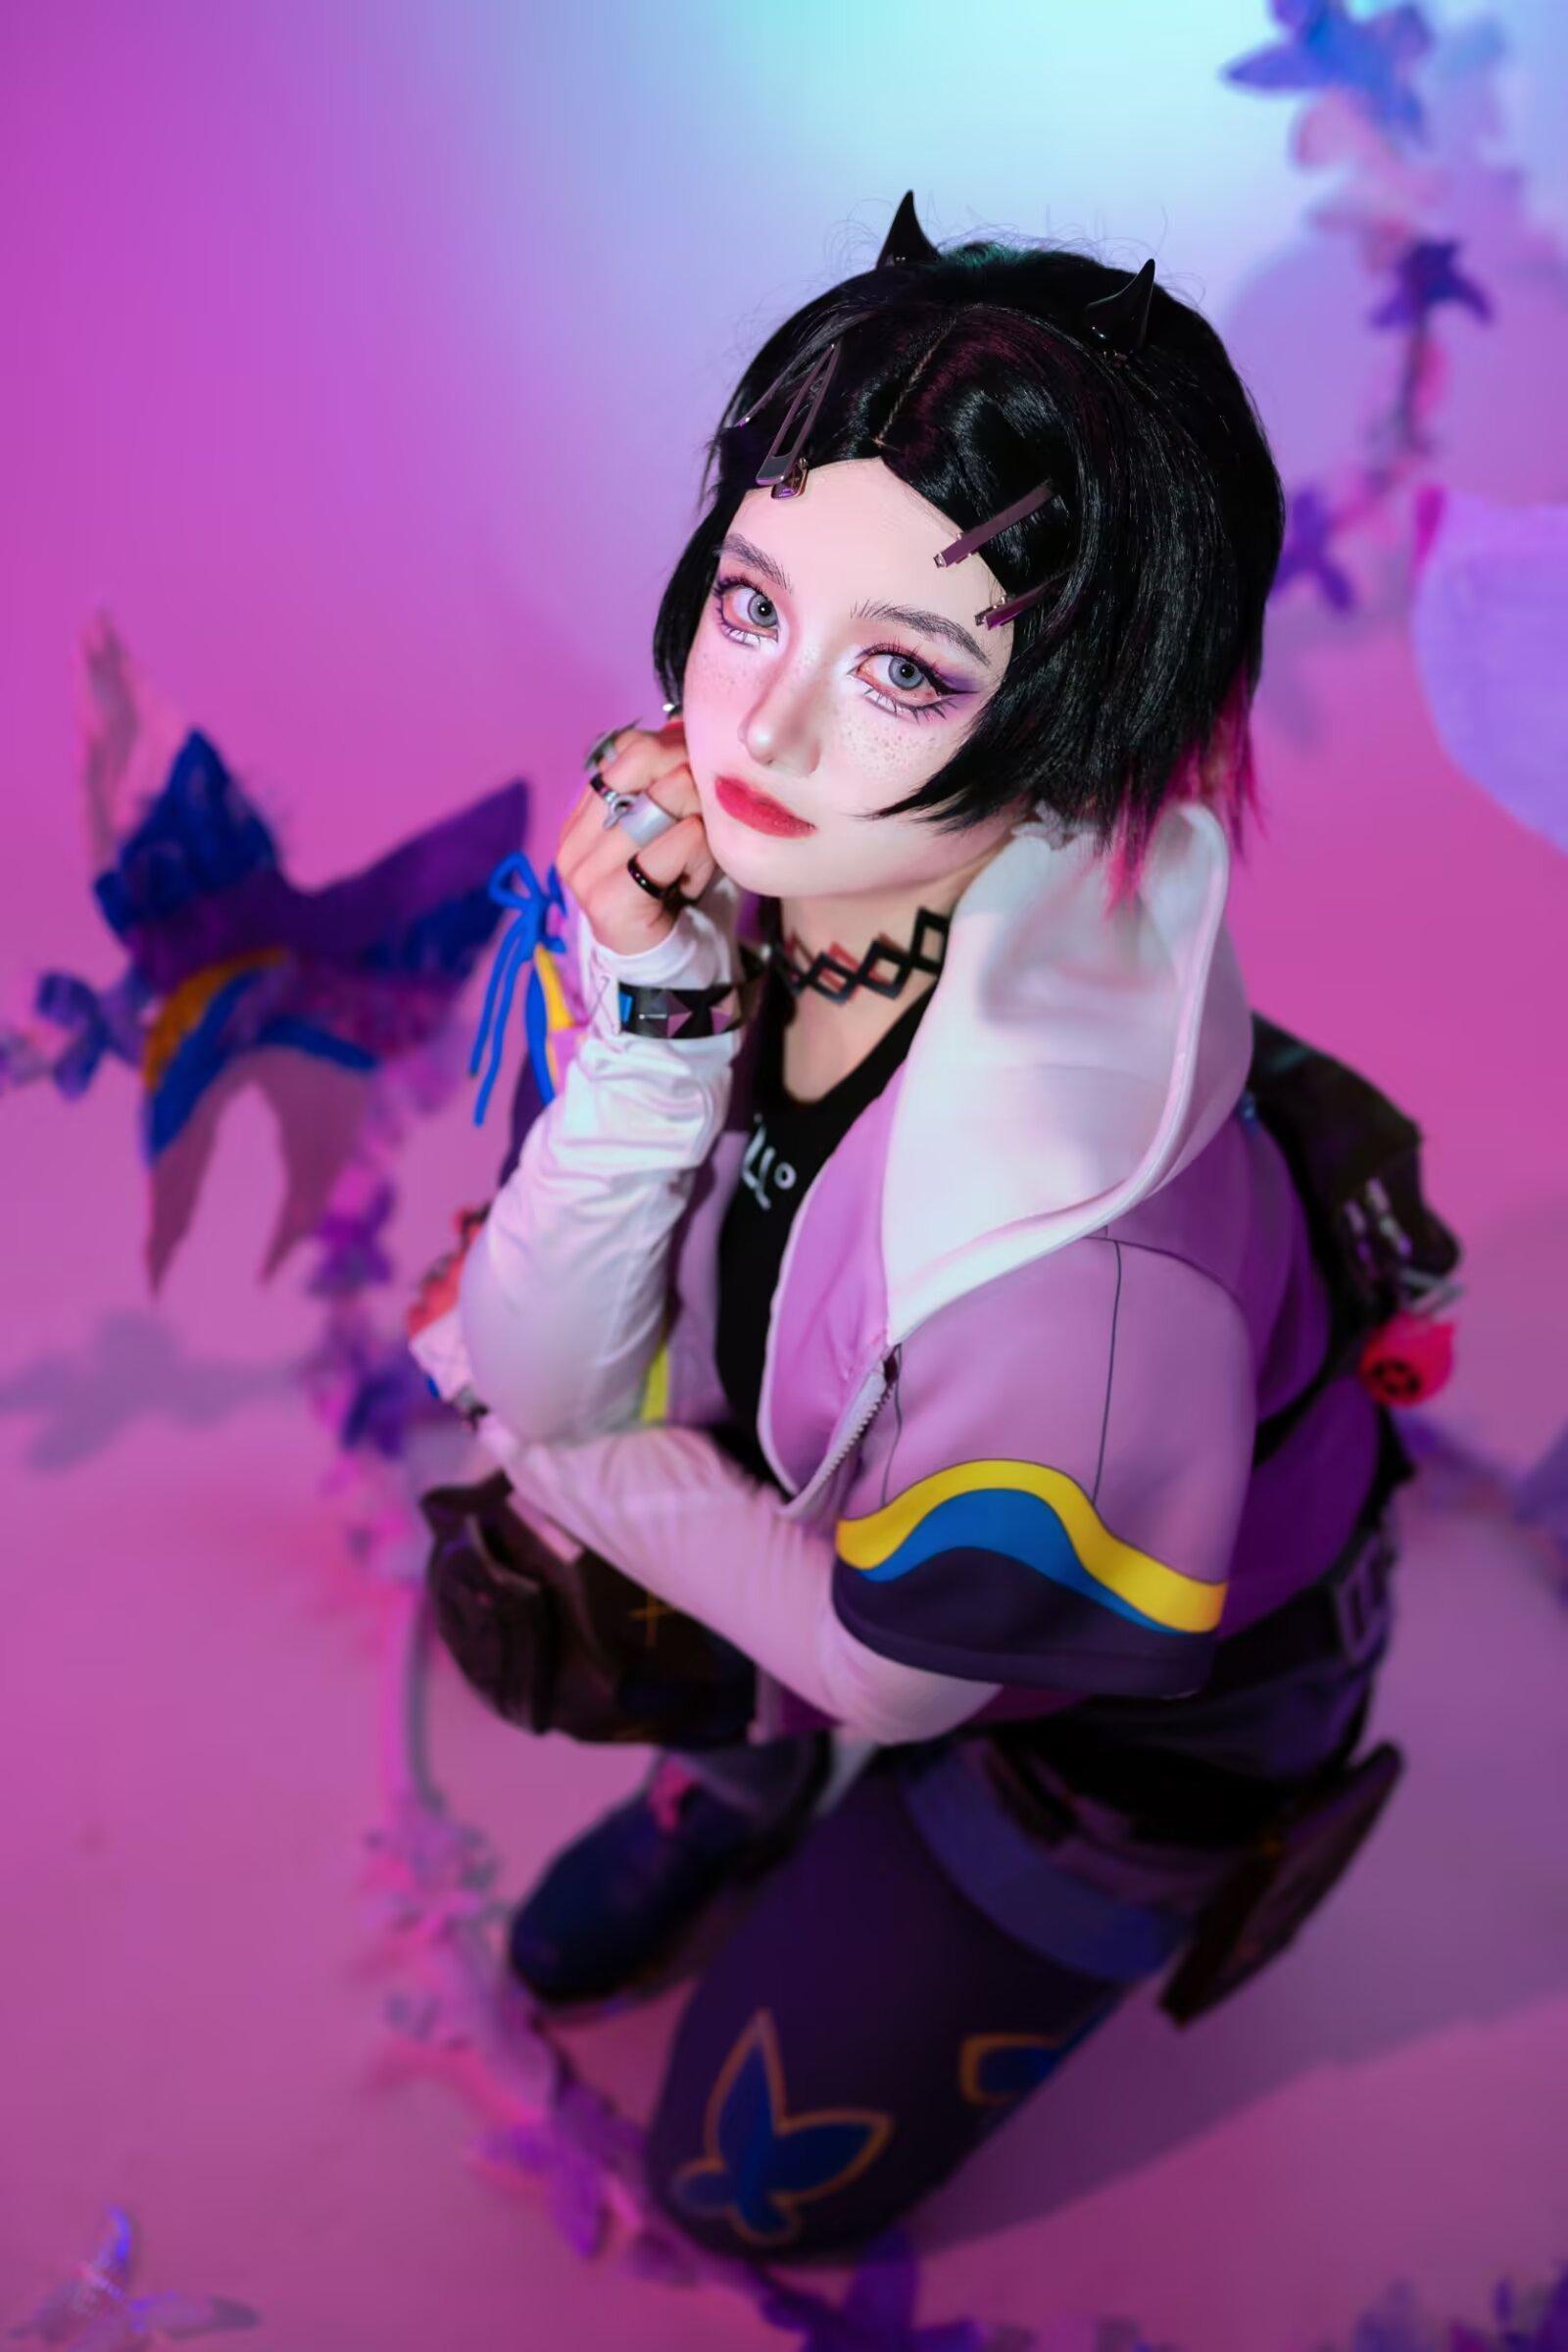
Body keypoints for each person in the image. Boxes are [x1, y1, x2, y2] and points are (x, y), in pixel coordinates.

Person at [408, 194, 1413, 2260]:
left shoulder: (1088, 1264)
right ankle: (740, 1776)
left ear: (1090, 710)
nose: (759, 731)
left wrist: (580, 1461)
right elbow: (551, 1339)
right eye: (751, 601)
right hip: (808, 1499)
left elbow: (891, 1671)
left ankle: (1076, 1856)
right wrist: (658, 1021)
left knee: (739, 2181)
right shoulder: (724, 882)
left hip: (1123, 1714)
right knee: (636, 1474)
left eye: (900, 668)